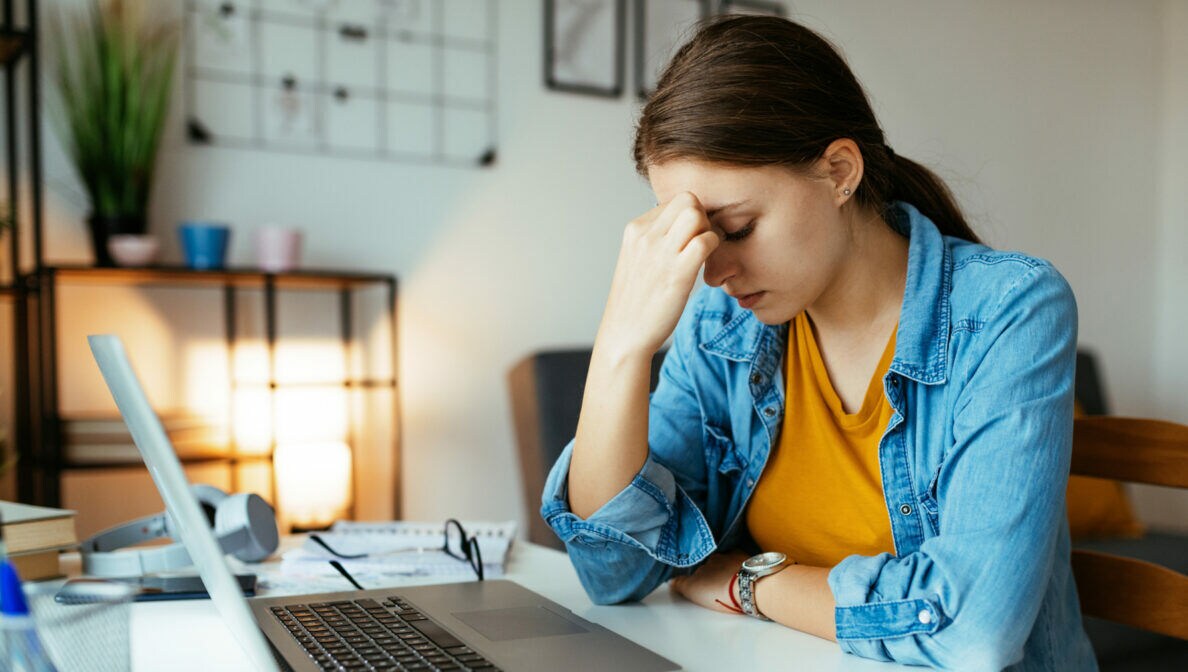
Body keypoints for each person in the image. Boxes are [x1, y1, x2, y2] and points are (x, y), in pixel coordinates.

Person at [540, 14, 1097, 672]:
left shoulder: (1009, 312)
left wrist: (745, 581)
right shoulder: (724, 329)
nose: (713, 274)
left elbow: (972, 632)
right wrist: (621, 344)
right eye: (696, 238)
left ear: (838, 171)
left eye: (737, 227)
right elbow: (616, 569)